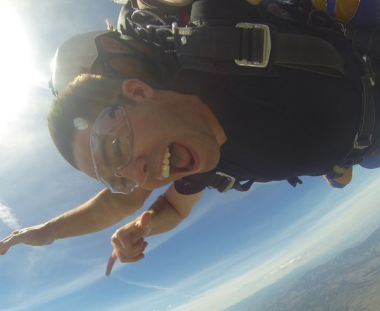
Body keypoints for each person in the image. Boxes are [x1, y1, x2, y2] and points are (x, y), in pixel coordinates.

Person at [1, 0, 379, 277]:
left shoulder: (212, 38)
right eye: (118, 176)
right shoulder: (190, 155)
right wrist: (50, 232)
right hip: (367, 149)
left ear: (135, 91)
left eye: (116, 144)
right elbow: (152, 207)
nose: (138, 173)